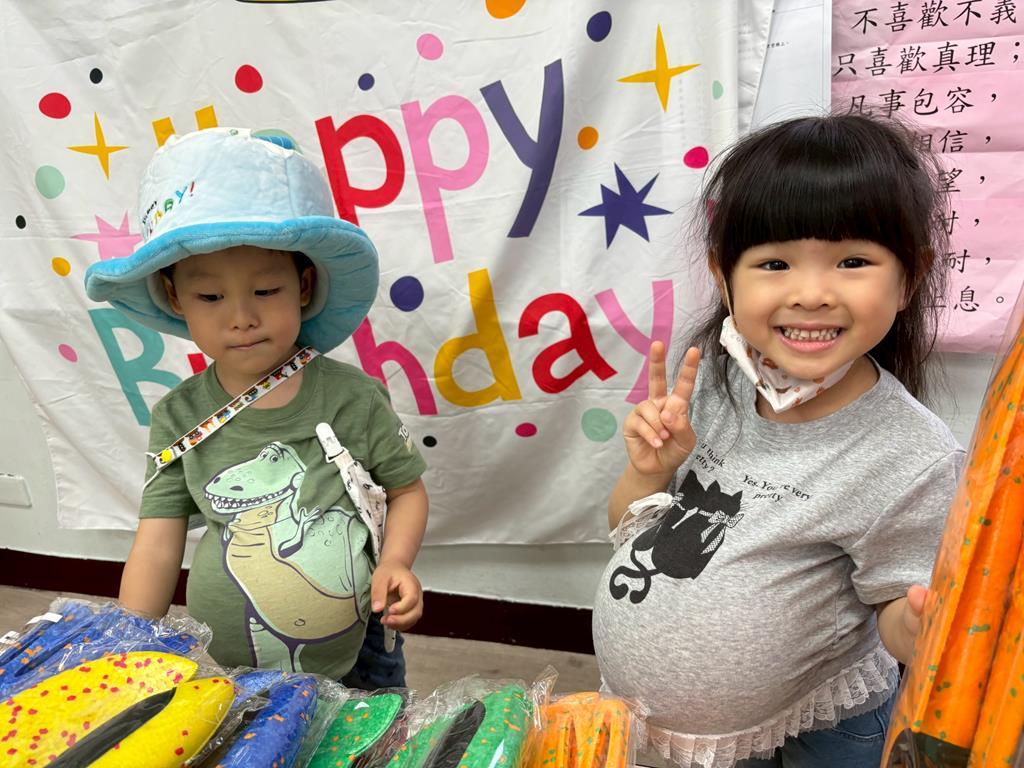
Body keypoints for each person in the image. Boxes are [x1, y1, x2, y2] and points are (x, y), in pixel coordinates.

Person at [591, 114, 965, 768]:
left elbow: (899, 617)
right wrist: (647, 473)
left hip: (825, 731)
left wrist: (922, 625)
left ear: (910, 277)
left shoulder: (913, 456)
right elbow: (628, 529)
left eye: (853, 262)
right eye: (774, 263)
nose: (811, 294)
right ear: (724, 274)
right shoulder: (712, 381)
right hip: (690, 739)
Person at [85, 127, 428, 686]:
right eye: (210, 296)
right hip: (228, 665)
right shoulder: (178, 416)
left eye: (266, 291)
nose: (242, 318)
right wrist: (131, 641)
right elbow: (158, 538)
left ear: (304, 286)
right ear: (175, 297)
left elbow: (407, 490)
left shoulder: (354, 398)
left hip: (359, 656)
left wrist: (395, 561)